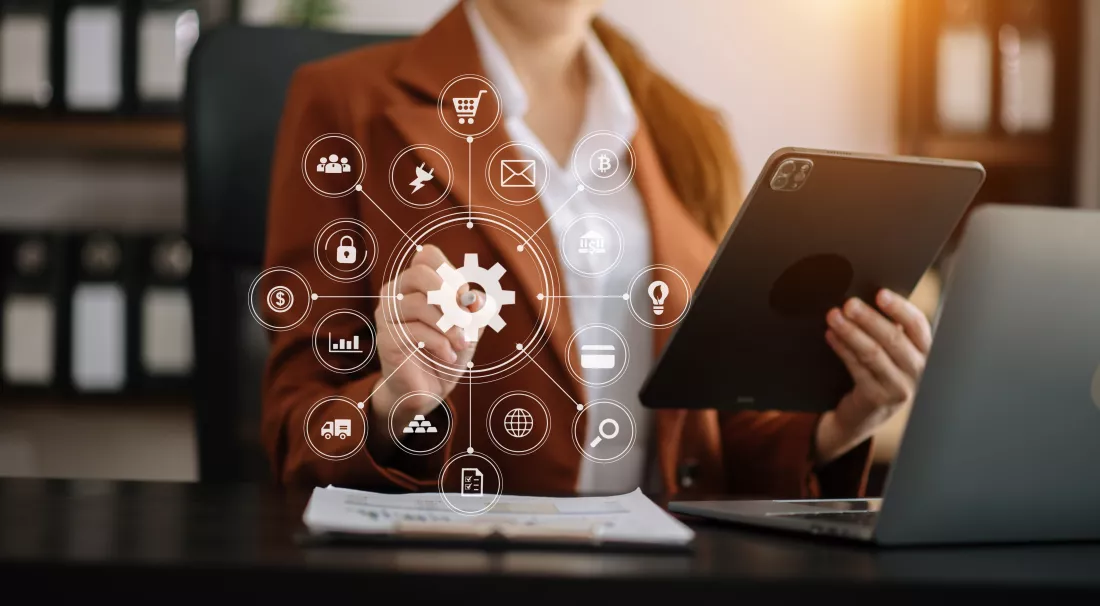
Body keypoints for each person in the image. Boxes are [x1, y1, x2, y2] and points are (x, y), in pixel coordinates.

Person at [263, 0, 932, 499]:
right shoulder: (345, 103)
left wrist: (844, 419)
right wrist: (392, 407)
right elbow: (299, 427)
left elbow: (713, 438)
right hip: (464, 565)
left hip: (670, 561)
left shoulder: (689, 135)